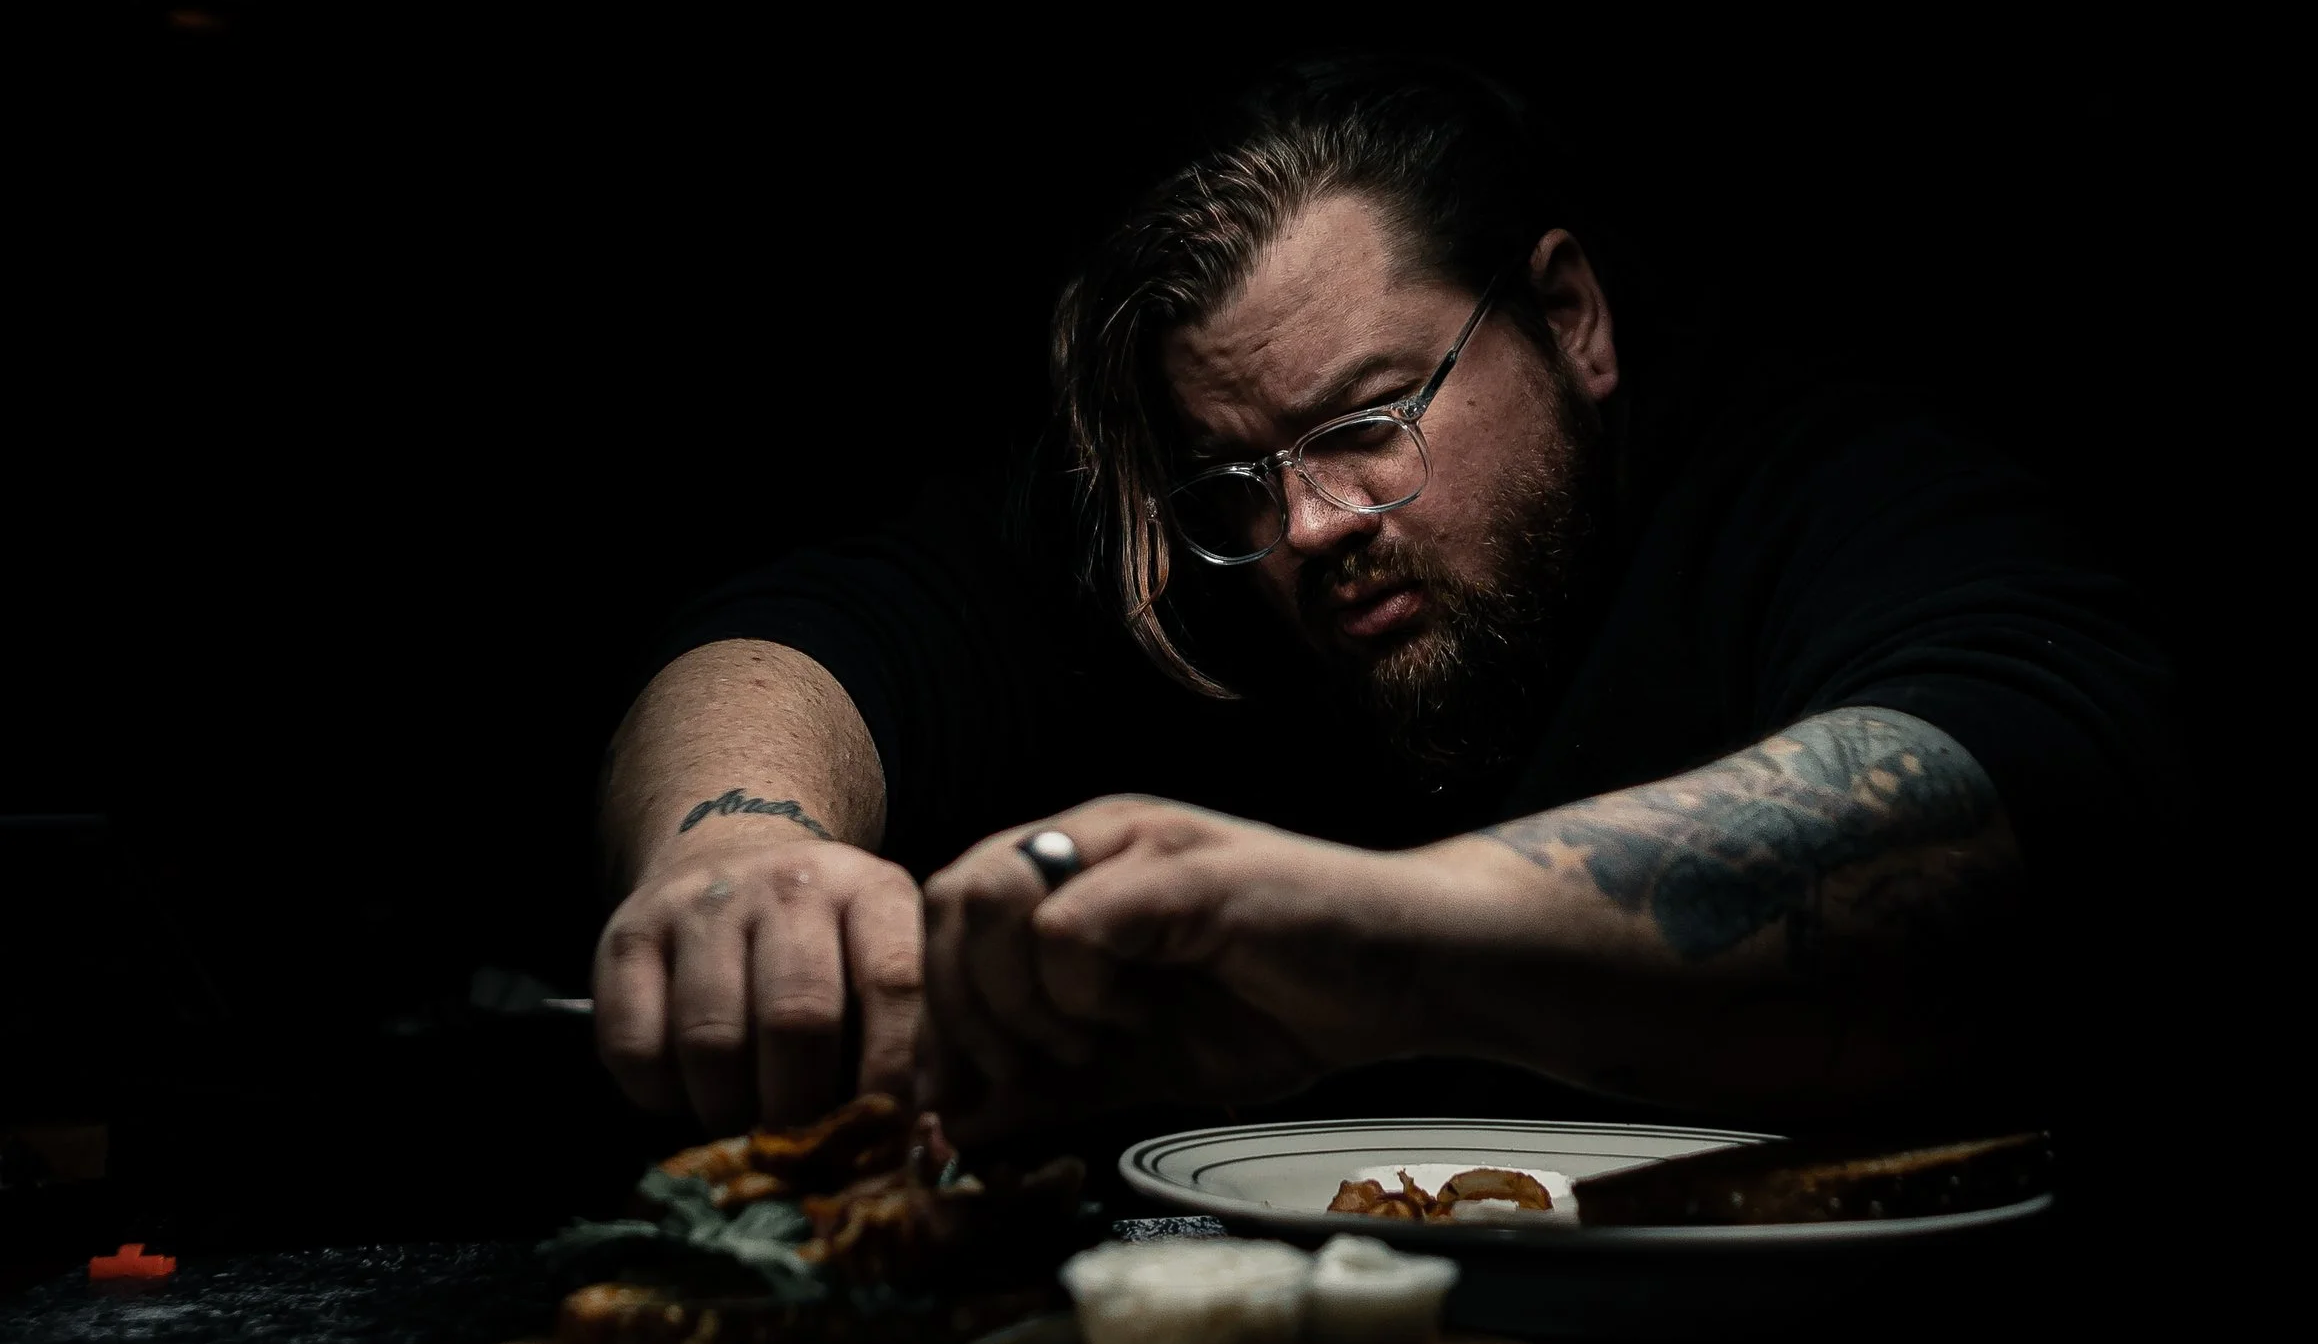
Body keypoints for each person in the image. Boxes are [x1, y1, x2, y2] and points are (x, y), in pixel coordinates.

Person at [592, 58, 2180, 1148]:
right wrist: (737, 846)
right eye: (1240, 476)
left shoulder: (1812, 479)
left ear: (1569, 317)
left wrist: (1360, 946)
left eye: (1367, 422)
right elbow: (814, 627)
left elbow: (2026, 775)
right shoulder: (1213, 573)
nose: (1309, 524)